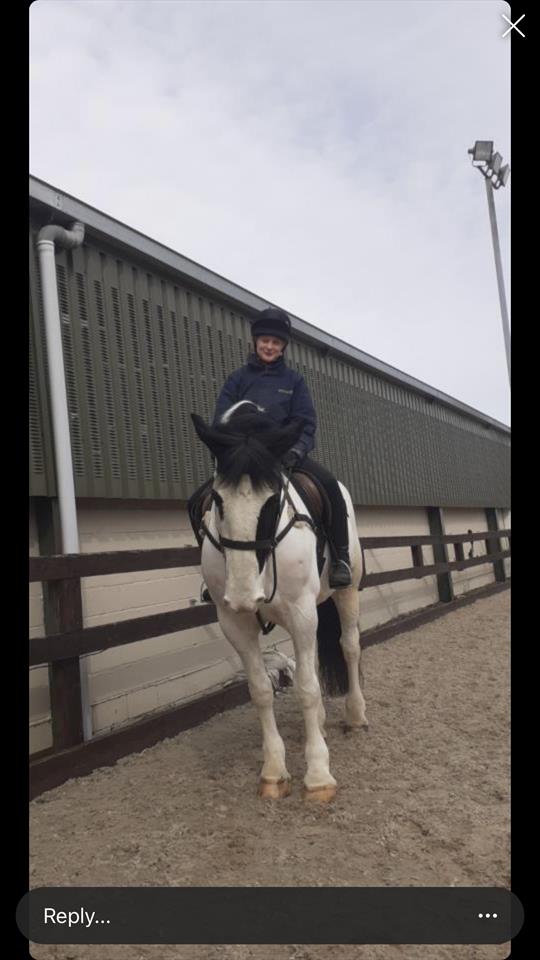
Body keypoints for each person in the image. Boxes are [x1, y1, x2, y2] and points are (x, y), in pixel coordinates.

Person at [202, 306, 353, 588]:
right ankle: (214, 572)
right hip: (245, 458)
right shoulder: (237, 379)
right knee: (200, 501)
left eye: (275, 342)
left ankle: (341, 558)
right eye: (265, 341)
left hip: (284, 454)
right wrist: (228, 452)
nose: (269, 346)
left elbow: (306, 421)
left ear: (283, 347)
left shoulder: (294, 381)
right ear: (255, 341)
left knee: (330, 485)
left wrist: (296, 450)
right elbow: (221, 420)